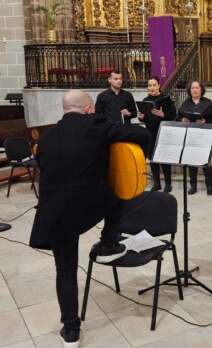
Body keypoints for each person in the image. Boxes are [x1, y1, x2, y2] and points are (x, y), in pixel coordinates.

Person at [29, 90, 149, 348]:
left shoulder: (48, 138)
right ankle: (107, 243)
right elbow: (140, 134)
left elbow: (42, 163)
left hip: (56, 213)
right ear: (87, 108)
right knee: (118, 193)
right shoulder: (96, 123)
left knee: (65, 270)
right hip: (91, 205)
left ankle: (70, 331)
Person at [177, 79, 212, 195]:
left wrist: (206, 121)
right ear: (189, 90)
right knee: (191, 160)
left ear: (201, 89)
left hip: (204, 134)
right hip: (190, 135)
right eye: (192, 88)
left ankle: (209, 186)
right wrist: (182, 120)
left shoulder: (208, 102)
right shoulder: (185, 103)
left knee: (206, 161)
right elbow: (178, 117)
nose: (195, 90)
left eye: (197, 88)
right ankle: (193, 186)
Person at [138, 77, 177, 192]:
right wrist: (141, 118)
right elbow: (144, 119)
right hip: (150, 133)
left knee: (164, 158)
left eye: (154, 85)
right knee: (153, 159)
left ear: (159, 85)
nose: (152, 88)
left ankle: (168, 184)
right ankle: (157, 184)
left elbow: (173, 115)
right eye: (149, 85)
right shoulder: (145, 100)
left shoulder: (166, 99)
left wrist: (162, 115)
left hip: (163, 132)